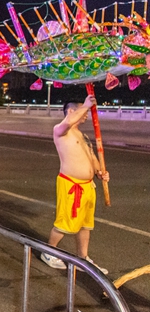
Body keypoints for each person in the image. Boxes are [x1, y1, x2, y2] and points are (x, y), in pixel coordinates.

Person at [40, 96, 110, 274]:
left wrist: (100, 172)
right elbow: (67, 122)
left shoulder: (83, 135)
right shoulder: (61, 130)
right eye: (83, 111)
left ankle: (82, 257)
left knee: (85, 225)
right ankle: (49, 251)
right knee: (65, 223)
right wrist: (86, 105)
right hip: (71, 184)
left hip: (88, 185)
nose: (86, 115)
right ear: (71, 111)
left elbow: (91, 157)